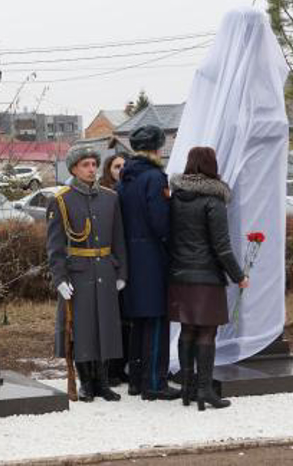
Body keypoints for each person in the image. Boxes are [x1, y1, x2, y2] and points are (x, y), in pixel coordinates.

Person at [168, 147, 248, 411]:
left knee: (187, 329)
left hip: (179, 273)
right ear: (211, 165)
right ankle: (205, 390)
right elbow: (222, 246)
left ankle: (187, 389)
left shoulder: (176, 197)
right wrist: (239, 276)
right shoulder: (213, 199)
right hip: (206, 276)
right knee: (207, 332)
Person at [47, 145, 127, 402]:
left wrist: (122, 272)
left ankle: (103, 383)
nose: (91, 169)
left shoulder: (110, 197)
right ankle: (85, 383)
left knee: (105, 326)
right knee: (81, 329)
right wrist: (59, 279)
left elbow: (119, 240)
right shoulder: (61, 199)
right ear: (73, 169)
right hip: (77, 274)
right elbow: (55, 246)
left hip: (105, 269)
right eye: (85, 165)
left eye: (94, 164)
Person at [117, 125, 180, 401]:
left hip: (130, 256)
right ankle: (155, 383)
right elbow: (160, 221)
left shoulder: (125, 178)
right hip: (152, 257)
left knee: (139, 322)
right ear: (156, 149)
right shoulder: (155, 178)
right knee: (155, 320)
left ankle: (136, 381)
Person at [99, 153, 129, 386]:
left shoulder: (128, 190)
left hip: (126, 259)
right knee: (110, 319)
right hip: (106, 262)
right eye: (116, 166)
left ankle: (121, 367)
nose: (121, 169)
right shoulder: (105, 194)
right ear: (108, 169)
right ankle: (108, 369)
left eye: (124, 166)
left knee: (126, 320)